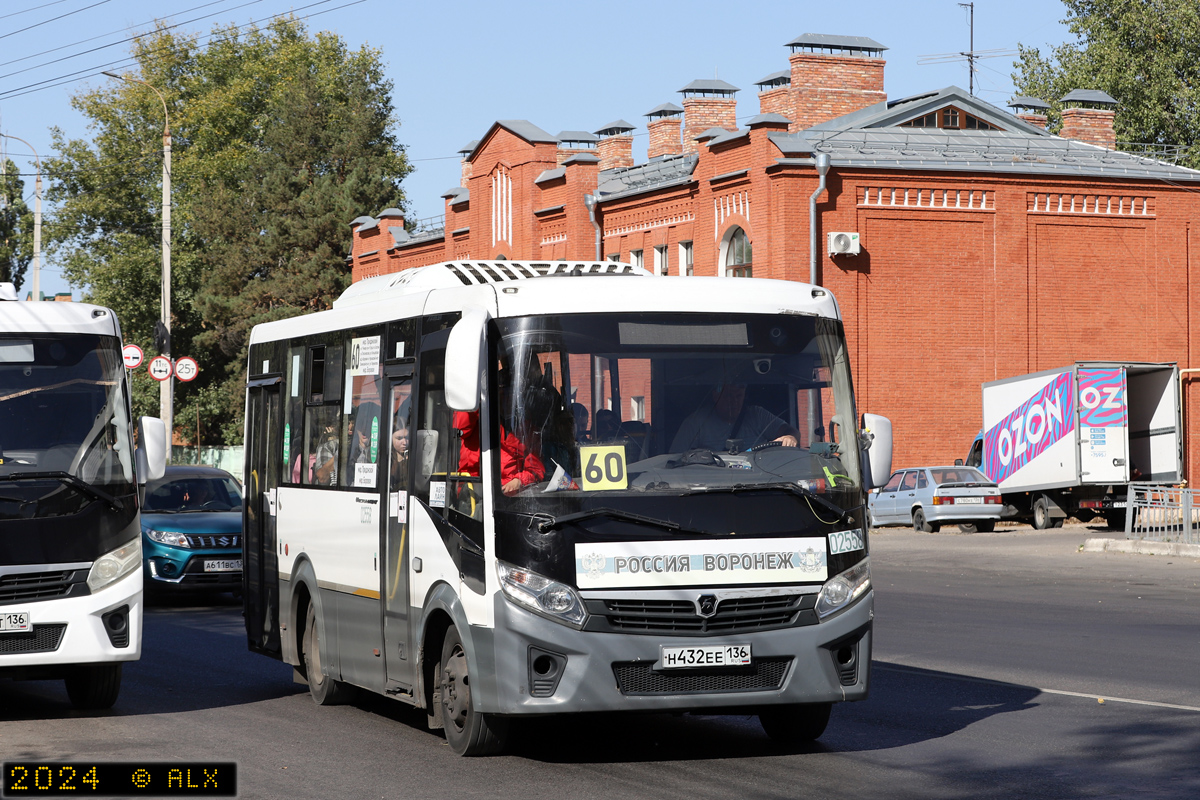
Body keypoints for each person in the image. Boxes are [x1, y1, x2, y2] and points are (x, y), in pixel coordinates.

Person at [670, 382, 799, 453]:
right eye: (728, 396)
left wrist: (790, 437)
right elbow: (674, 459)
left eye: (738, 396)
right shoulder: (695, 423)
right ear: (716, 396)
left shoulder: (757, 415)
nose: (734, 402)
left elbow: (792, 431)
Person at [453, 409, 544, 496]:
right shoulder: (477, 415)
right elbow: (460, 427)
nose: (504, 395)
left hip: (509, 494)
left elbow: (536, 469)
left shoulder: (527, 429)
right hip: (473, 489)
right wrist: (476, 403)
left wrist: (519, 480)